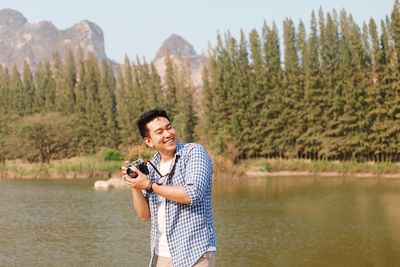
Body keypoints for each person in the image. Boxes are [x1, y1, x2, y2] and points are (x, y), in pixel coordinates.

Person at [121, 109, 217, 267]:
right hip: (160, 254)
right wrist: (135, 185)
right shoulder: (152, 166)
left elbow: (192, 194)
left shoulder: (194, 152)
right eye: (159, 131)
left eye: (169, 127)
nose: (168, 134)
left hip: (194, 252)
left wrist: (150, 185)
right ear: (149, 141)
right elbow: (144, 215)